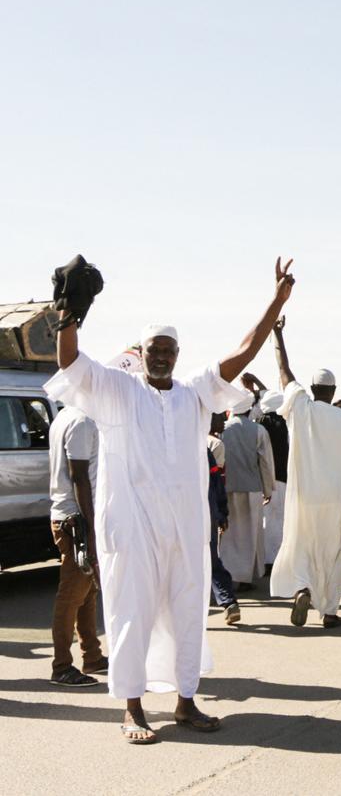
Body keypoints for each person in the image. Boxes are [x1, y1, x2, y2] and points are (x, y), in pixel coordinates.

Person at [45, 256, 295, 744]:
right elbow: (70, 363)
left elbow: (242, 355)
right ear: (141, 353)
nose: (160, 356)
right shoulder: (118, 389)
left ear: (178, 354)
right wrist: (67, 316)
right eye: (153, 349)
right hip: (131, 527)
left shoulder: (195, 394)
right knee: (130, 612)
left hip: (184, 527)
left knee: (187, 612)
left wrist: (276, 303)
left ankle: (184, 702)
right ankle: (132, 709)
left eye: (168, 349)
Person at [268, 316, 341, 629]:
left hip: (304, 496)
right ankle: (328, 612)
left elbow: (284, 371)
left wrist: (278, 336)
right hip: (337, 497)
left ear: (313, 388)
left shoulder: (301, 407)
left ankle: (303, 588)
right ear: (333, 390)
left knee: (302, 545)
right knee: (333, 554)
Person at [46, 404, 107, 688]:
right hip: (77, 519)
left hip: (72, 516)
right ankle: (61, 667)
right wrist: (91, 526)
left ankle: (92, 655)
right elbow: (79, 476)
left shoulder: (66, 415)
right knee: (71, 595)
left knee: (87, 590)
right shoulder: (83, 420)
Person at [219, 392, 275, 589]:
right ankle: (244, 578)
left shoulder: (221, 429)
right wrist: (268, 488)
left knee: (229, 534)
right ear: (249, 408)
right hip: (251, 489)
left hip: (226, 488)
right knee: (249, 534)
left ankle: (229, 575)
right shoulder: (258, 430)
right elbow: (266, 462)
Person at [206, 432, 240, 626]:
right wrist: (222, 513)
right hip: (206, 513)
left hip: (179, 517)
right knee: (211, 559)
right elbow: (217, 483)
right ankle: (228, 602)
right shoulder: (203, 450)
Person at [255, 390, 289, 566]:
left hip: (264, 480)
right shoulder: (289, 424)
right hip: (285, 479)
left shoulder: (260, 425)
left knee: (266, 521)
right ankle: (279, 560)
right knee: (282, 520)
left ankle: (267, 559)